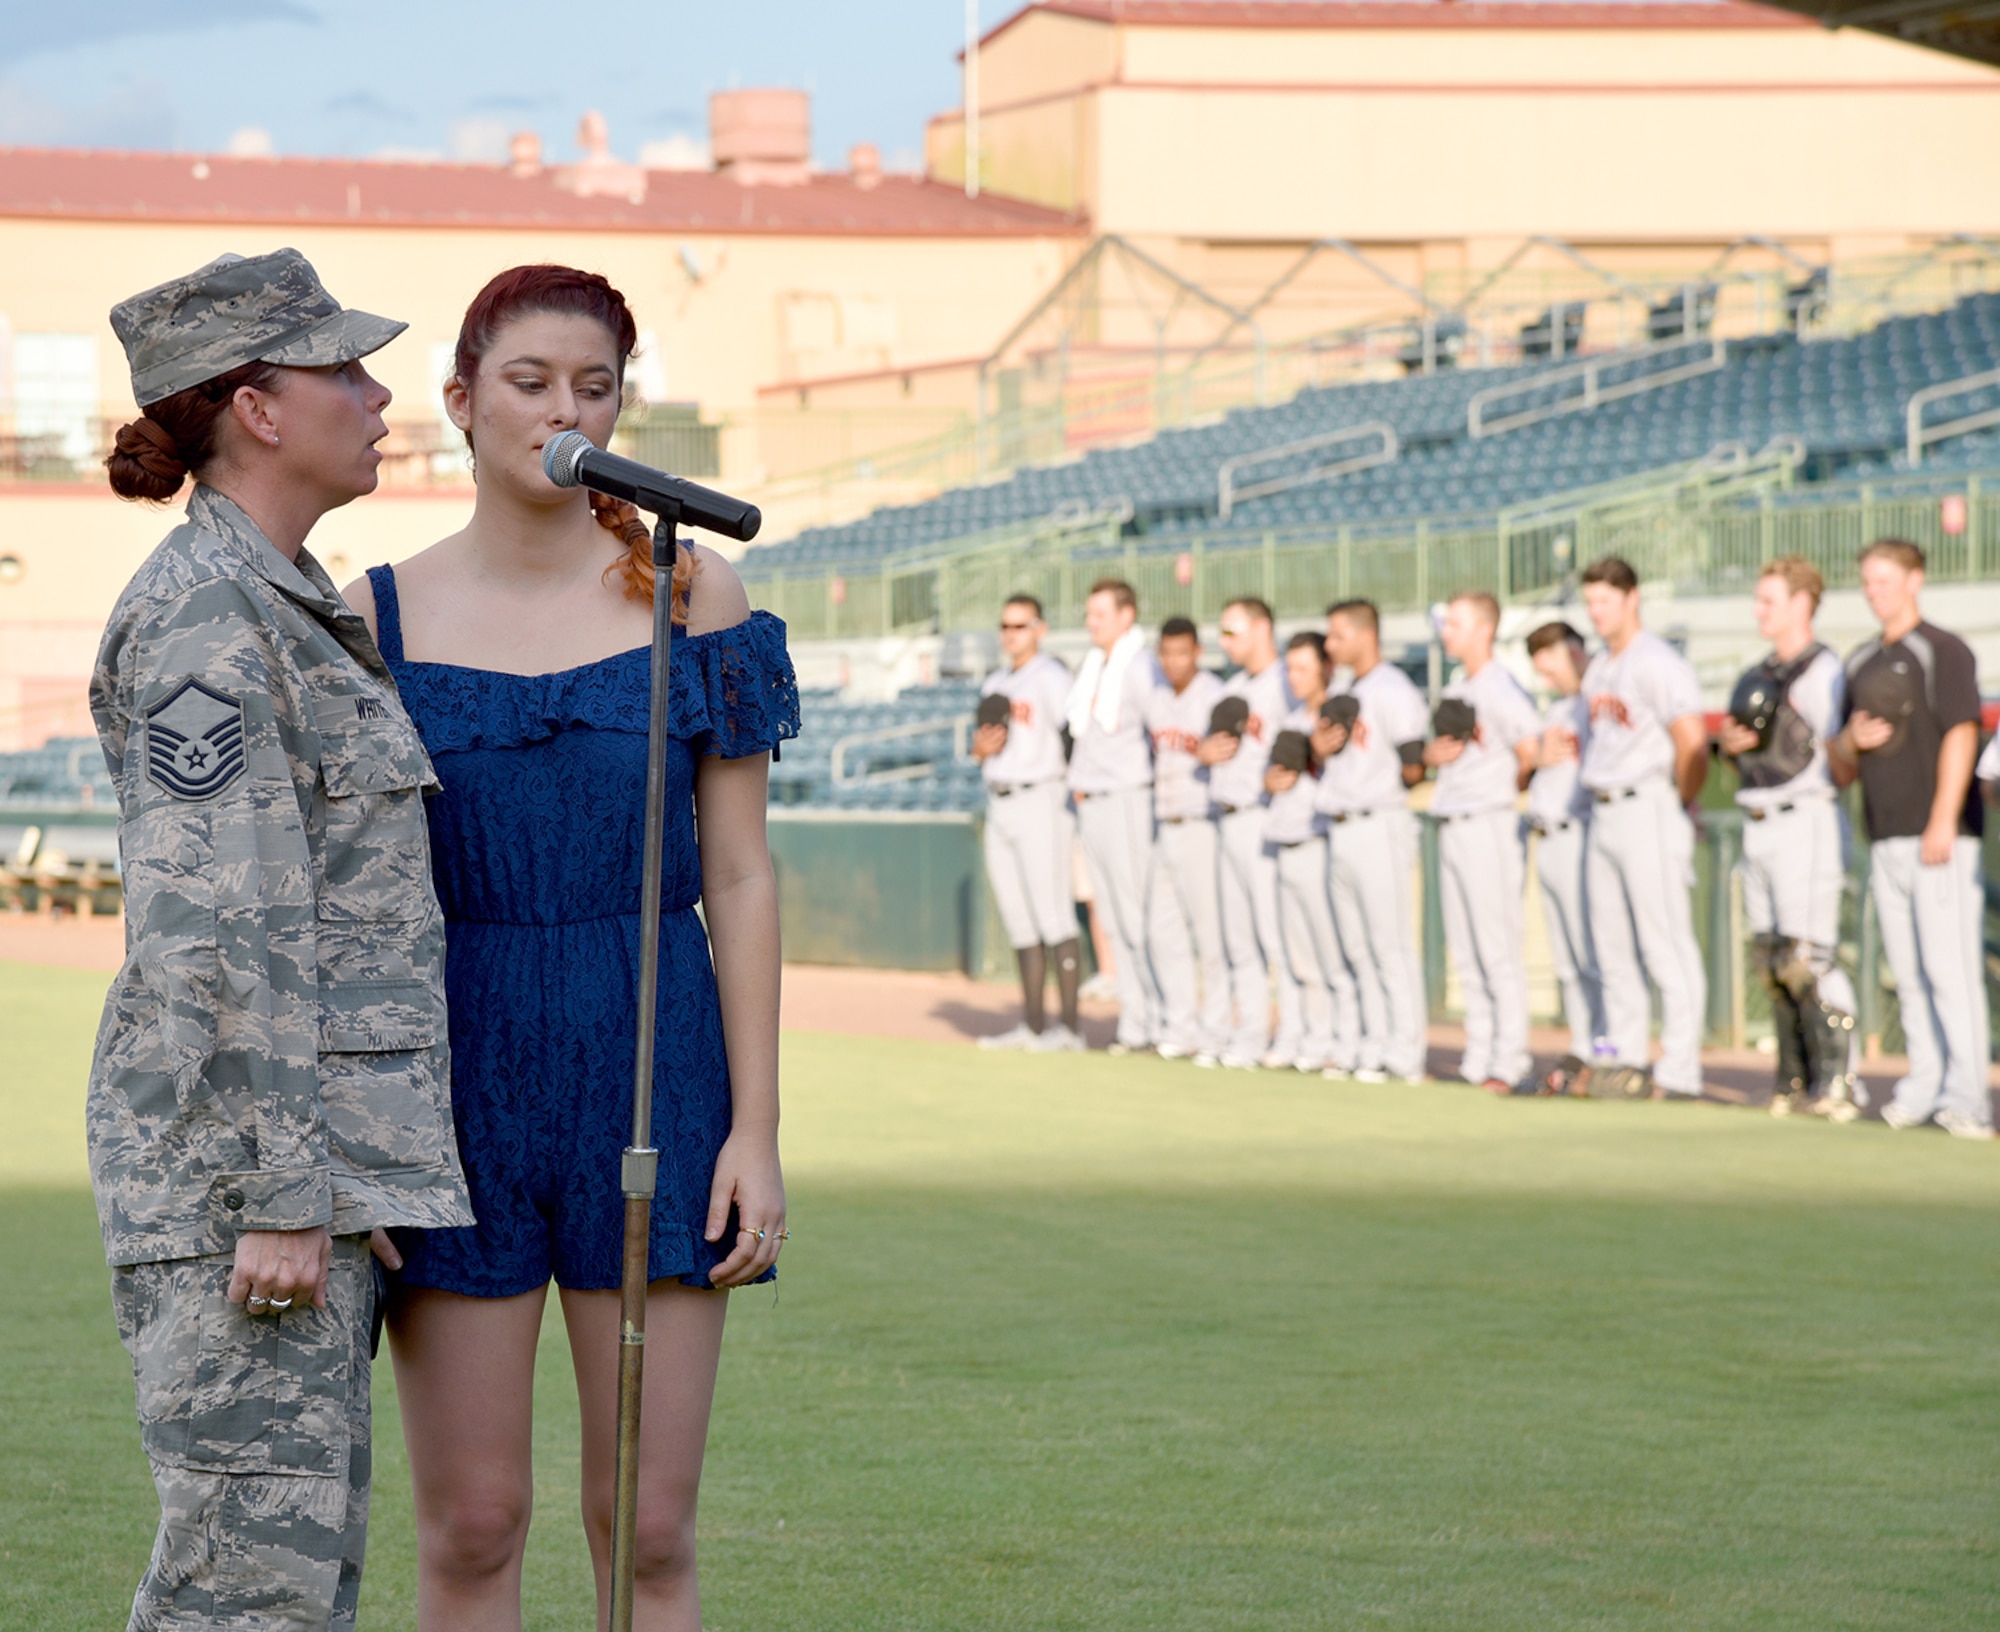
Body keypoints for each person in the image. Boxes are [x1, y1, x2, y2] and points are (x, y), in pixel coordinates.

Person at [344, 265, 798, 1631]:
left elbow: (741, 869)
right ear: (463, 403)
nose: (561, 408)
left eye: (593, 386)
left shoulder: (692, 595)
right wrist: (358, 1131)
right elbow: (350, 908)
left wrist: (757, 1131)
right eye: (530, 382)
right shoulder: (373, 618)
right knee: (474, 1528)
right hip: (454, 1081)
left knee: (648, 1531)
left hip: (655, 1060)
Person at [91, 248, 472, 1632]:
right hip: (240, 1192)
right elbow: (220, 929)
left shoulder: (282, 598)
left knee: (288, 1592)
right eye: (343, 370)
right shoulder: (210, 615)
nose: (378, 396)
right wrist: (284, 1190)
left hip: (292, 1179)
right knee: (240, 1596)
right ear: (256, 405)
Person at [1828, 539, 1993, 1138]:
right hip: (1884, 833)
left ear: (1914, 580)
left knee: (1950, 970)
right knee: (1909, 970)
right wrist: (1849, 741)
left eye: (1886, 580)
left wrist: (1945, 817)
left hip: (1939, 836)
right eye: (1868, 581)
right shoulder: (1861, 659)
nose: (1876, 591)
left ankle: (1968, 1096)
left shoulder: (1943, 649)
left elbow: (1961, 732)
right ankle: (1923, 1084)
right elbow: (1840, 759)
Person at [1716, 557, 1863, 1121]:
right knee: (1771, 958)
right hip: (1758, 817)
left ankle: (1838, 1084)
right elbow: (1751, 751)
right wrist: (1732, 746)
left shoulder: (1824, 671)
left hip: (1806, 816)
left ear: (1802, 602)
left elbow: (1837, 751)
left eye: (1768, 600)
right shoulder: (1760, 672)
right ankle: (1793, 1080)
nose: (1759, 610)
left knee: (1811, 957)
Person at [1576, 556, 1708, 1100]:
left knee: (1665, 944)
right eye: (1590, 602)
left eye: (1605, 600)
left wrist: (1679, 800)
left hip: (1649, 802)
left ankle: (1679, 1069)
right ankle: (1626, 1058)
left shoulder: (1656, 662)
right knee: (1611, 946)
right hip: (1603, 807)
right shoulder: (1599, 667)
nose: (1596, 612)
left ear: (1633, 598)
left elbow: (1693, 743)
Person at [1427, 593, 1541, 1093]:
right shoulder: (1459, 684)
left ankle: (1509, 1060)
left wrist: (1506, 787)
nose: (1447, 631)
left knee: (1497, 948)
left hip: (1490, 821)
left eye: (1456, 623)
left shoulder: (1499, 686)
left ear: (1483, 630)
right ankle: (1478, 1056)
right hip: (1454, 817)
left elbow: (1530, 749)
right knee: (1467, 950)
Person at [1316, 600, 1431, 1084]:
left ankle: (1405, 1052)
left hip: (1379, 821)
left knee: (1390, 945)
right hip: (1339, 823)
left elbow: (1414, 764)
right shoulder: (1343, 688)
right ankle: (1371, 1043)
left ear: (1366, 635)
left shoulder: (1393, 689)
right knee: (1357, 947)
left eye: (1339, 635)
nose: (1330, 644)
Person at [973, 594, 1084, 1052]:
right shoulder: (995, 681)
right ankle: (1034, 1025)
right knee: (1019, 919)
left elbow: (1074, 733)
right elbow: (984, 744)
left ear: (1040, 629)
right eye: (1005, 626)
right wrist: (979, 750)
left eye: (1020, 626)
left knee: (1053, 913)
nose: (1010, 634)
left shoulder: (1052, 676)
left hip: (1043, 795)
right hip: (1000, 798)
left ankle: (1071, 1030)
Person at [1198, 597, 1304, 1069]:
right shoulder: (1232, 687)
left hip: (1266, 817)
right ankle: (1250, 1034)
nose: (1224, 642)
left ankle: (1297, 1035)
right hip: (1227, 816)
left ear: (1262, 629)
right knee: (1239, 938)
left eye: (1232, 631)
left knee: (1275, 937)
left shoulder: (1287, 684)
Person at [1066, 579, 1165, 1053]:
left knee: (1135, 914)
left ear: (1126, 616)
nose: (1091, 622)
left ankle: (1159, 1018)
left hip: (1128, 795)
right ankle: (1135, 1021)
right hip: (1095, 798)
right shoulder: (1094, 666)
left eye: (1100, 614)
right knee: (1114, 916)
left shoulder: (1140, 666)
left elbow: (1160, 729)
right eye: (1089, 614)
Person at [1261, 631, 1360, 1076]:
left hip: (1319, 841)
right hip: (1284, 840)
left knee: (1330, 954)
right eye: (1289, 667)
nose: (1293, 676)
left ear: (1326, 669)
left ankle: (1344, 1041)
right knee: (1295, 955)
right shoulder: (1291, 718)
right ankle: (1303, 1035)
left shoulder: (1339, 718)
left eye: (1303, 667)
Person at [1143, 616, 1231, 1061]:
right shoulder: (1155, 695)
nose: (1174, 661)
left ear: (1198, 652)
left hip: (1202, 822)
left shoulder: (1215, 693)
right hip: (1164, 821)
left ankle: (1215, 1031)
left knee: (1209, 935)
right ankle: (1179, 1025)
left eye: (1183, 652)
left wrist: (1208, 754)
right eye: (1167, 653)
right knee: (1163, 931)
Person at [1523, 621, 1605, 1095]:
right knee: (1567, 960)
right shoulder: (1557, 708)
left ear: (1572, 651)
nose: (1547, 676)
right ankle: (1581, 1047)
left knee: (1593, 954)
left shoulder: (1596, 703)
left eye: (1550, 664)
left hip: (1581, 832)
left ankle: (1605, 1049)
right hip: (1547, 834)